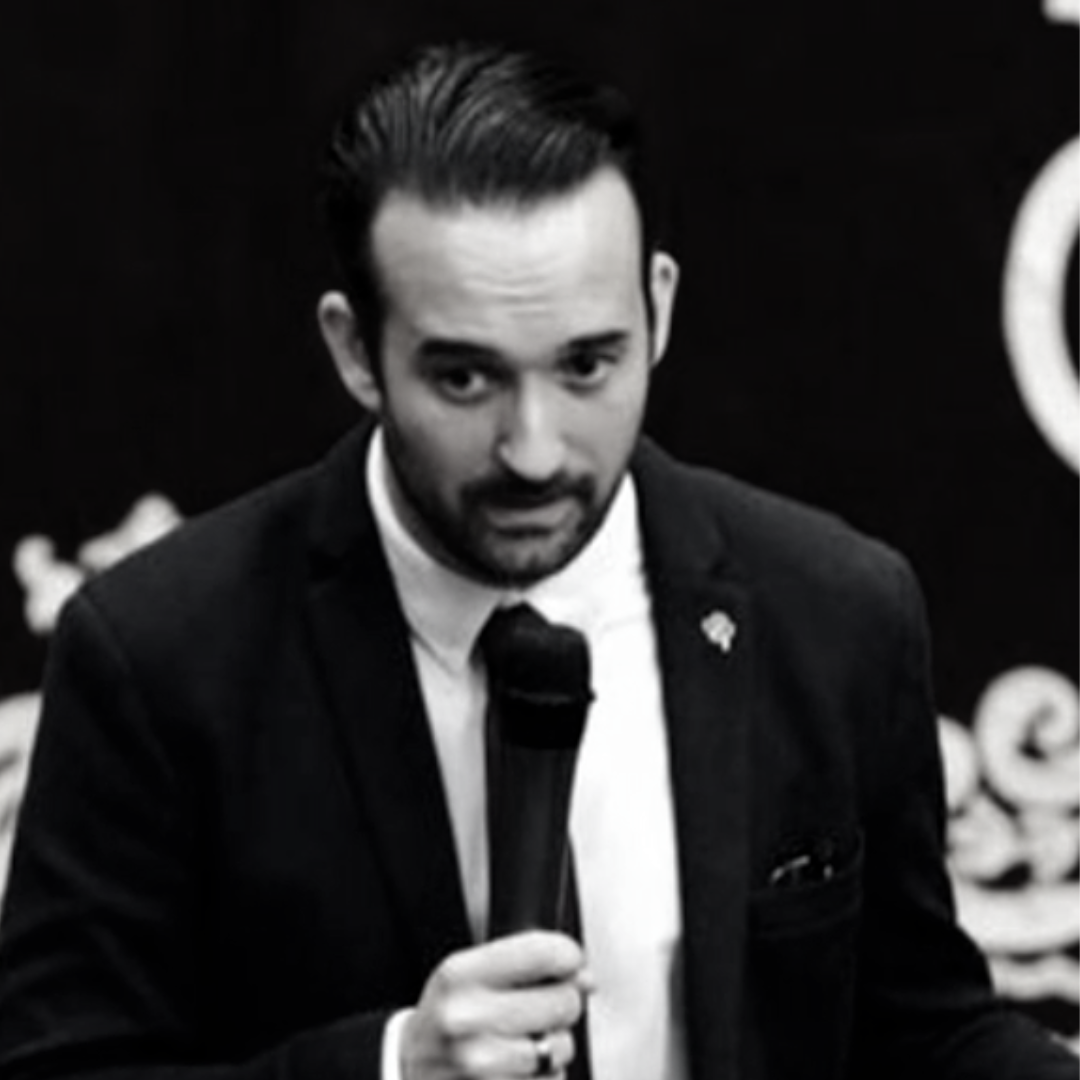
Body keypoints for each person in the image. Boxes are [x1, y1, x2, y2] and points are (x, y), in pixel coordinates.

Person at [0, 40, 1072, 1080]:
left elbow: (923, 1035)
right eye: (465, 379)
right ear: (354, 348)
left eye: (587, 365)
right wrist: (392, 1069)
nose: (535, 450)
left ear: (658, 308)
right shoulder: (160, 657)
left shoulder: (834, 612)